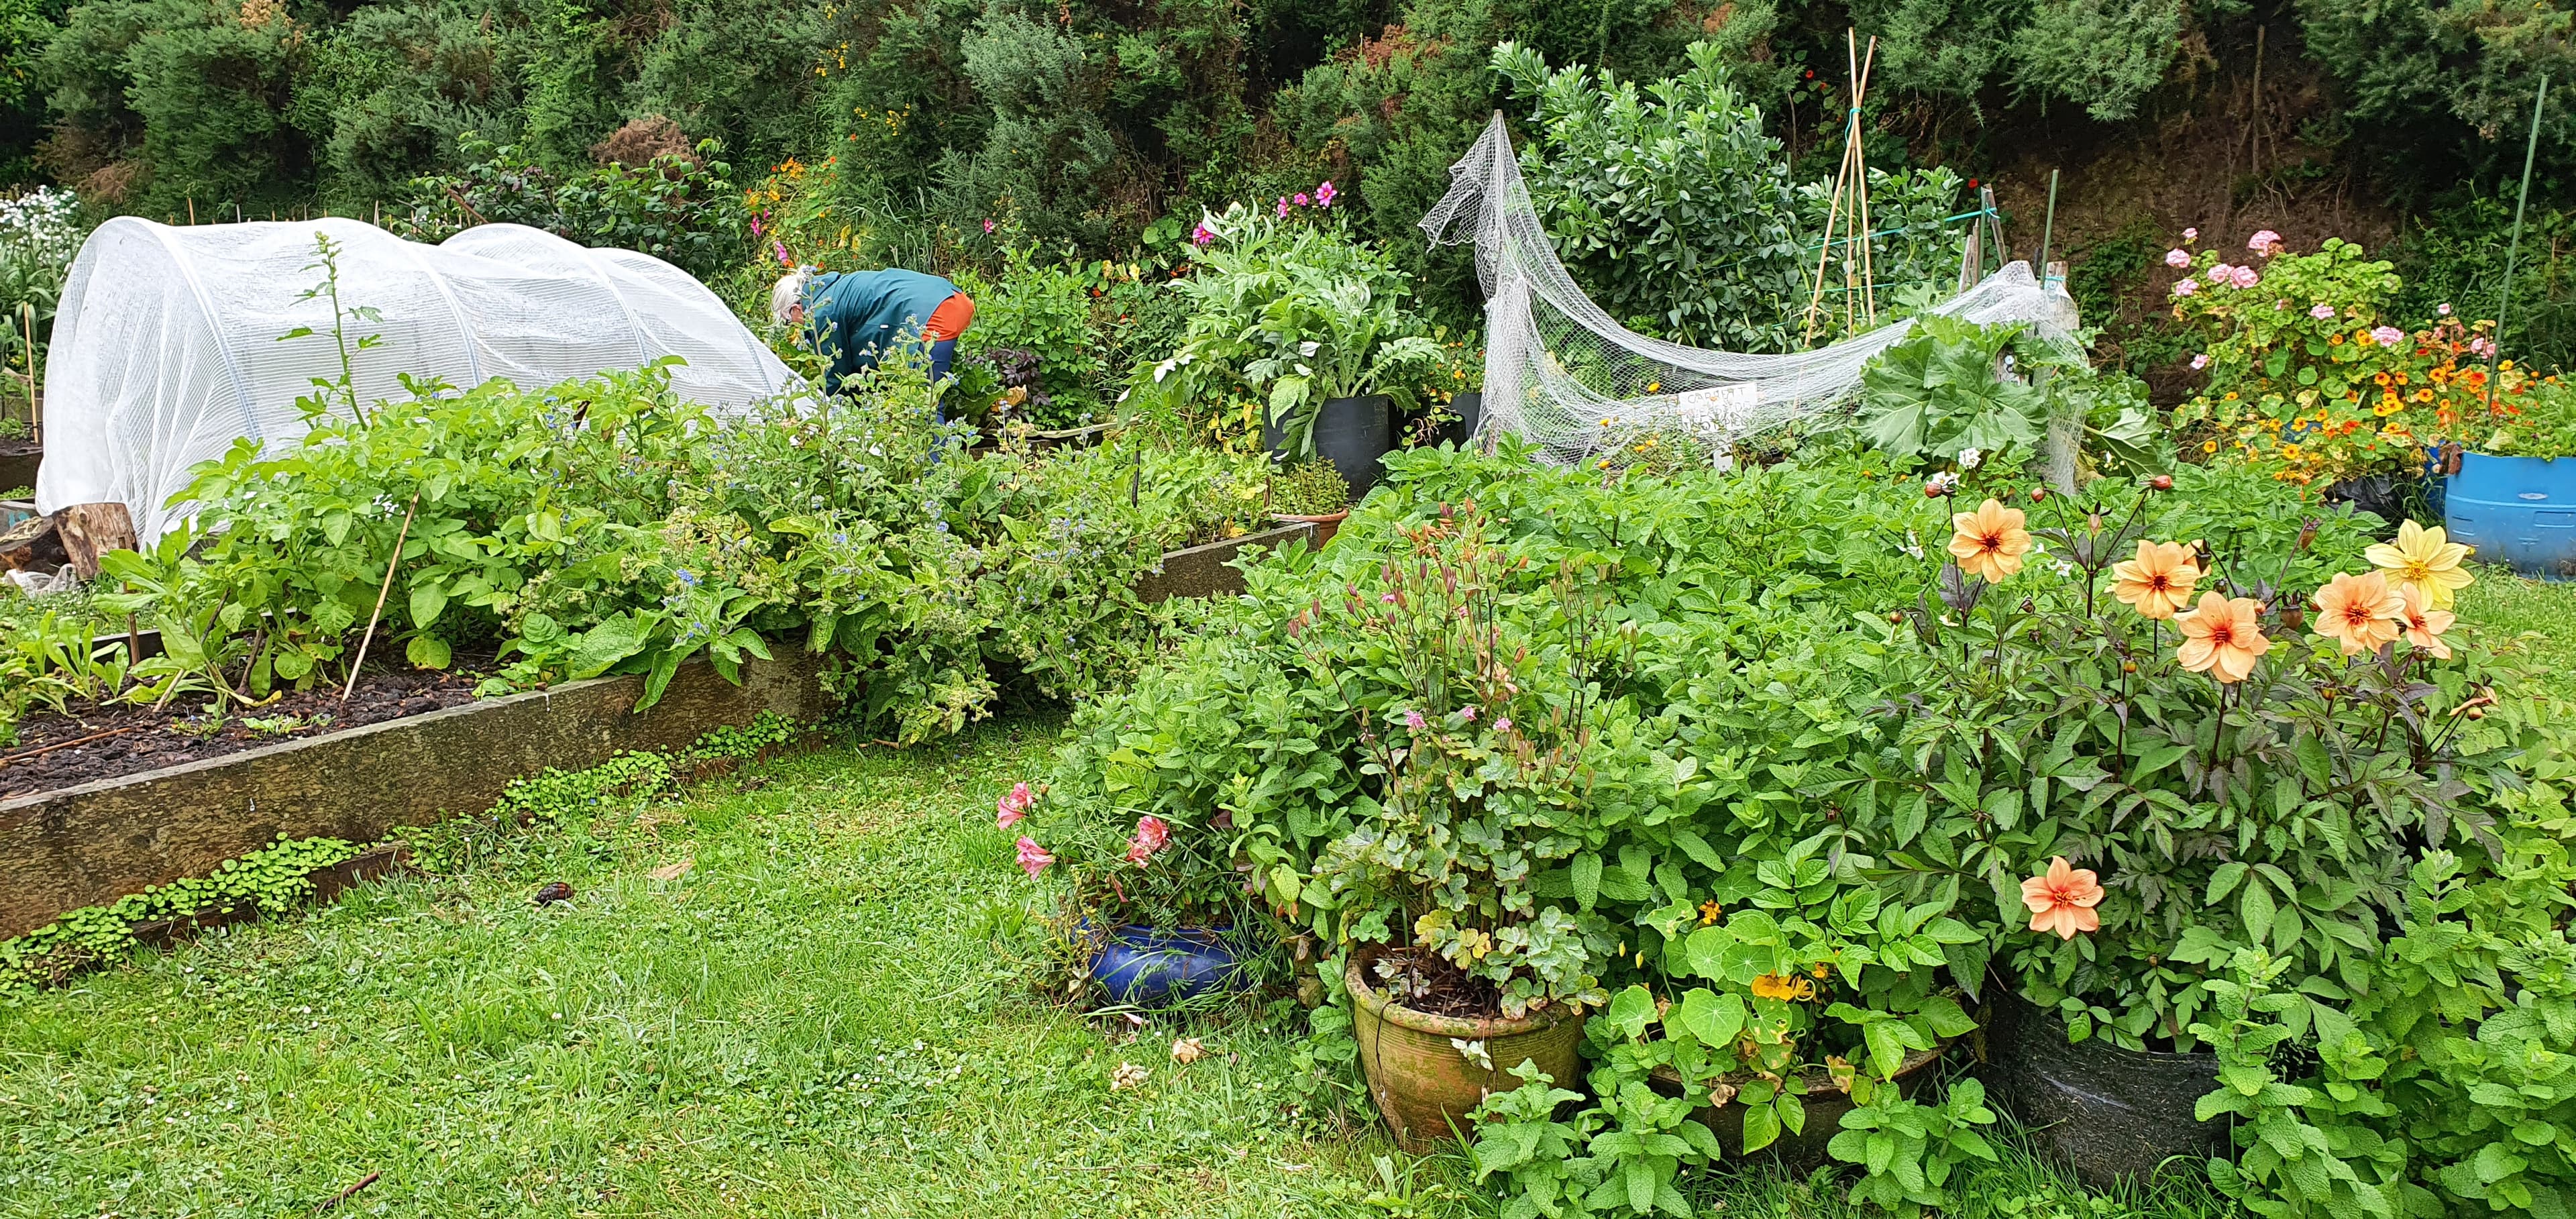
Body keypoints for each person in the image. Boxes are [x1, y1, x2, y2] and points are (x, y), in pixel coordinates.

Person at [769, 267, 975, 392]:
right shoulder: (835, 287)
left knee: (924, 403)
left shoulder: (822, 311)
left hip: (934, 315)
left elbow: (837, 375)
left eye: (789, 320)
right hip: (955, 298)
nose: (795, 325)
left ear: (796, 308)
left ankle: (937, 464)